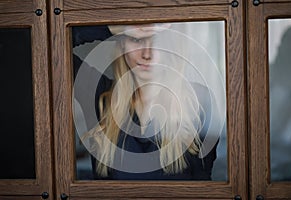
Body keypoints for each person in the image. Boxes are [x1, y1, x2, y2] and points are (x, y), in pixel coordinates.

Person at [73, 23, 222, 180]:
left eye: (158, 41)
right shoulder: (101, 97)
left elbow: (203, 186)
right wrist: (115, 27)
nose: (147, 54)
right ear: (122, 45)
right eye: (137, 41)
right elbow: (48, 46)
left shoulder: (197, 101)